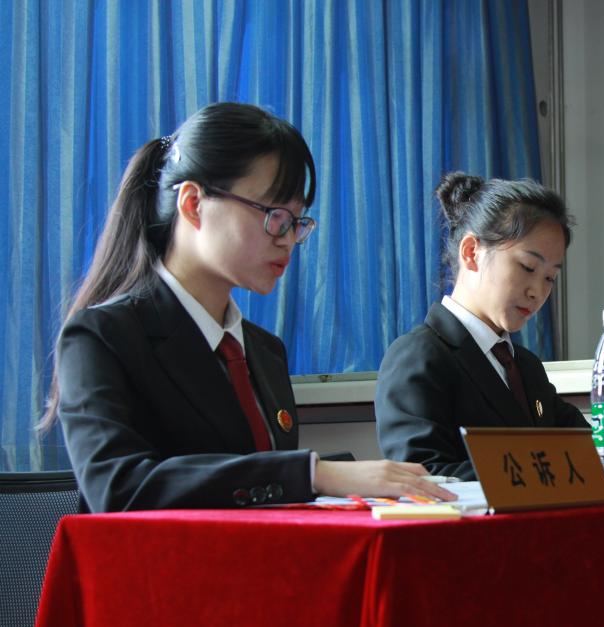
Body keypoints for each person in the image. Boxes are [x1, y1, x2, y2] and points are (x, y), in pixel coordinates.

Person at [41, 102, 454, 512]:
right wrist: (312, 473)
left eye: (296, 222)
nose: (287, 239)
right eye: (274, 214)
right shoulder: (103, 337)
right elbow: (118, 487)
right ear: (193, 203)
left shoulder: (263, 350)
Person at [374, 171, 604, 482]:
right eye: (527, 267)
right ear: (472, 252)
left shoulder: (524, 366)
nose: (538, 291)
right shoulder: (420, 356)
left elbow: (582, 444)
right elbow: (422, 475)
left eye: (550, 277)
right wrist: (554, 471)